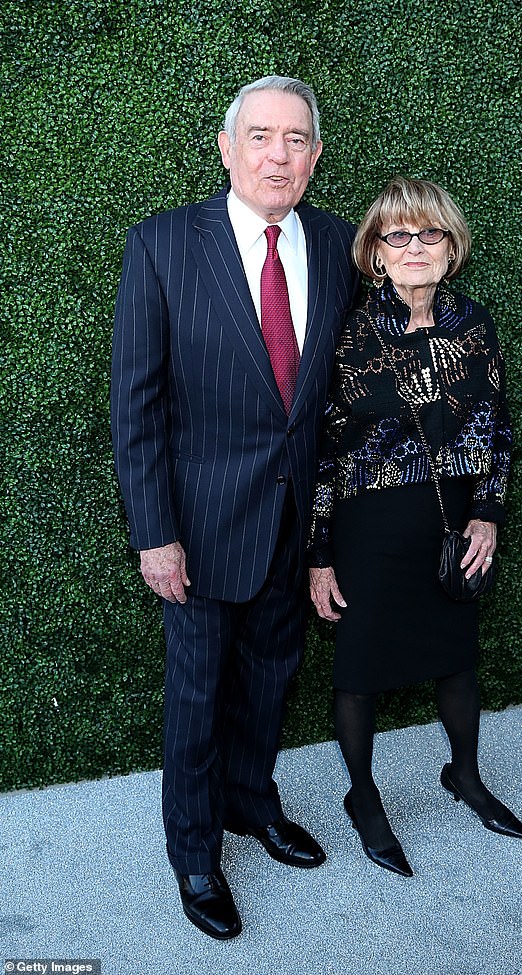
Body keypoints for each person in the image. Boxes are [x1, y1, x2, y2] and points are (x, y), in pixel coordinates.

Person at [111, 76, 358, 939]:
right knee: (196, 694)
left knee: (269, 679)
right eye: (260, 136)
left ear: (316, 156)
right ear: (227, 148)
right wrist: (156, 536)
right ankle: (194, 852)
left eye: (296, 140)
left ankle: (254, 803)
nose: (278, 155)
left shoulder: (336, 244)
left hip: (295, 528)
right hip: (202, 528)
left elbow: (341, 392)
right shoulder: (163, 245)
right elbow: (136, 408)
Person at [309, 176, 522, 879]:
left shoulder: (474, 324)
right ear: (375, 251)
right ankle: (364, 797)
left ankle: (464, 775)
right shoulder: (347, 331)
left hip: (453, 518)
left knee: (456, 656)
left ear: (451, 245)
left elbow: (497, 426)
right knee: (361, 667)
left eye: (428, 232)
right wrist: (318, 554)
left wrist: (488, 513)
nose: (413, 246)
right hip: (367, 524)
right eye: (396, 235)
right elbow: (321, 446)